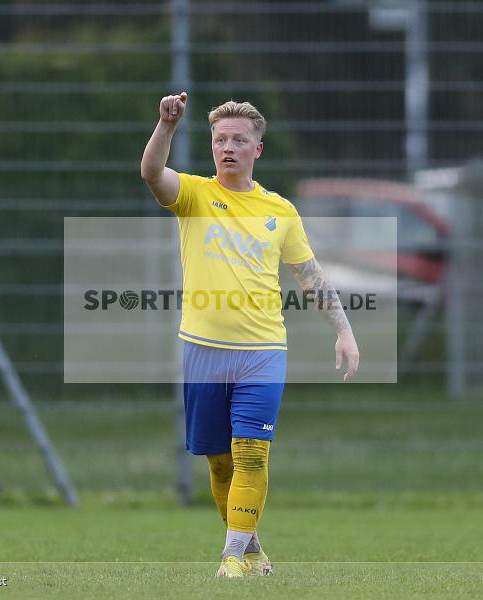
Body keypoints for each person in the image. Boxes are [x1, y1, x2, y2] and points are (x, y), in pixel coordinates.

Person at [141, 92, 359, 577]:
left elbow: (311, 275)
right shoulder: (194, 194)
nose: (228, 147)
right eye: (221, 139)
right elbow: (153, 174)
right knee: (219, 463)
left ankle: (231, 558)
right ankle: (251, 546)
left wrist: (344, 330)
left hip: (262, 351)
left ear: (258, 150)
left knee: (251, 451)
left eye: (240, 140)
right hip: (202, 351)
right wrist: (166, 127)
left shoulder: (279, 211)